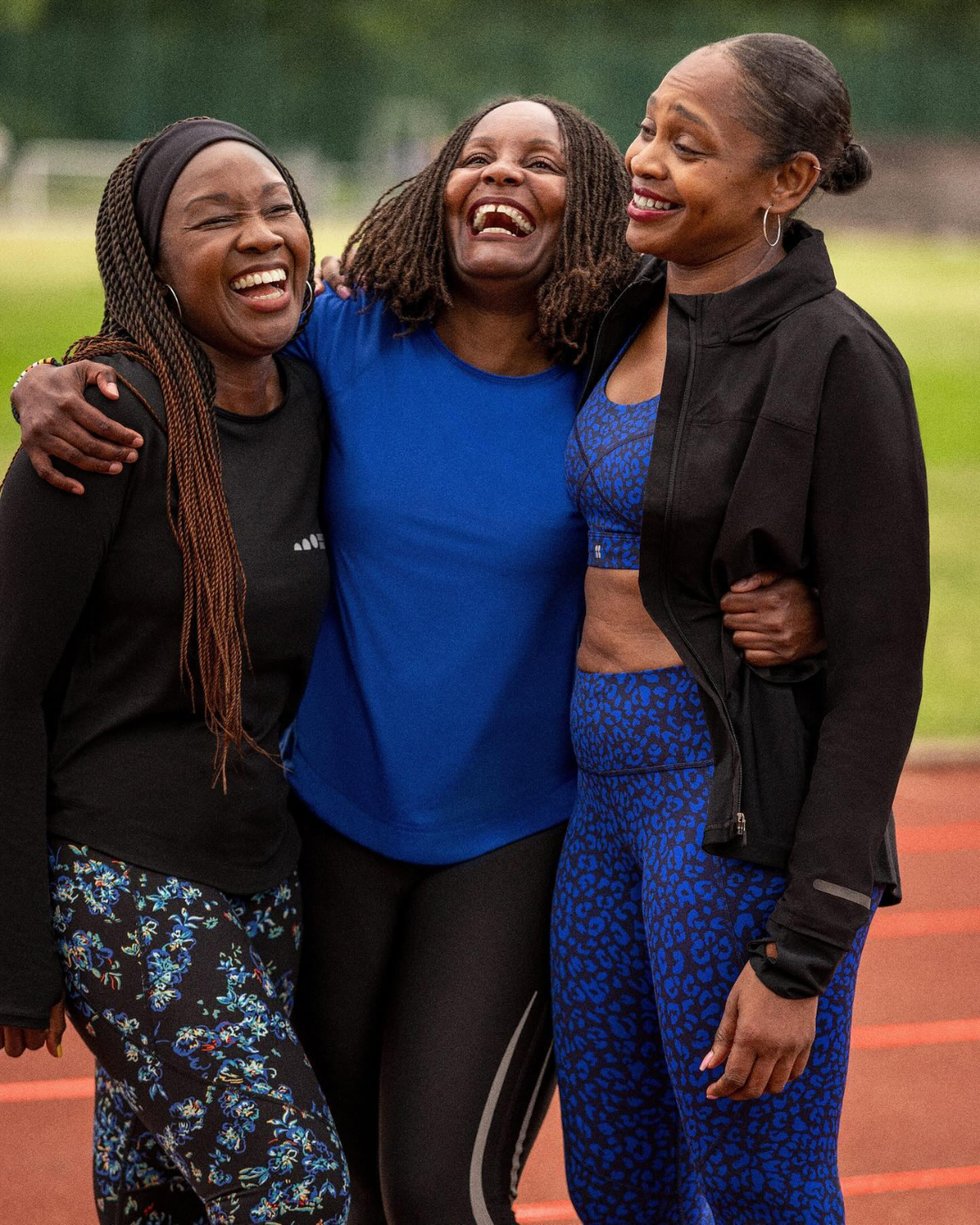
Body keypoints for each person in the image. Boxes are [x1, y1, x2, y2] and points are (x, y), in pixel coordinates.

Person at [11, 98, 825, 1225]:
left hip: (512, 832)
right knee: (321, 1175)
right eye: (476, 155)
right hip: (328, 820)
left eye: (538, 162)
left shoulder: (617, 380)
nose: (500, 176)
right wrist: (51, 378)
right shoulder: (339, 336)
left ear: (584, 203)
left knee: (440, 1187)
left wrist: (798, 602)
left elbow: (734, 517)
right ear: (439, 185)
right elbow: (184, 333)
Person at [549, 34, 929, 1225]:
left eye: (688, 144)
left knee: (759, 1185)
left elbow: (877, 681)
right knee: (617, 1182)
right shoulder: (614, 309)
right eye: (648, 125)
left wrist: (799, 954)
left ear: (786, 182)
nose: (644, 161)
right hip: (595, 806)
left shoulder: (837, 357)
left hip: (721, 814)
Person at [0, 118, 349, 1225]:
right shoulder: (101, 420)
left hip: (264, 872)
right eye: (214, 218)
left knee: (162, 1205)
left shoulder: (314, 405)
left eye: (276, 207)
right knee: (294, 1197)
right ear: (150, 263)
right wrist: (15, 943)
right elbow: (5, 681)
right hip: (123, 882)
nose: (260, 236)